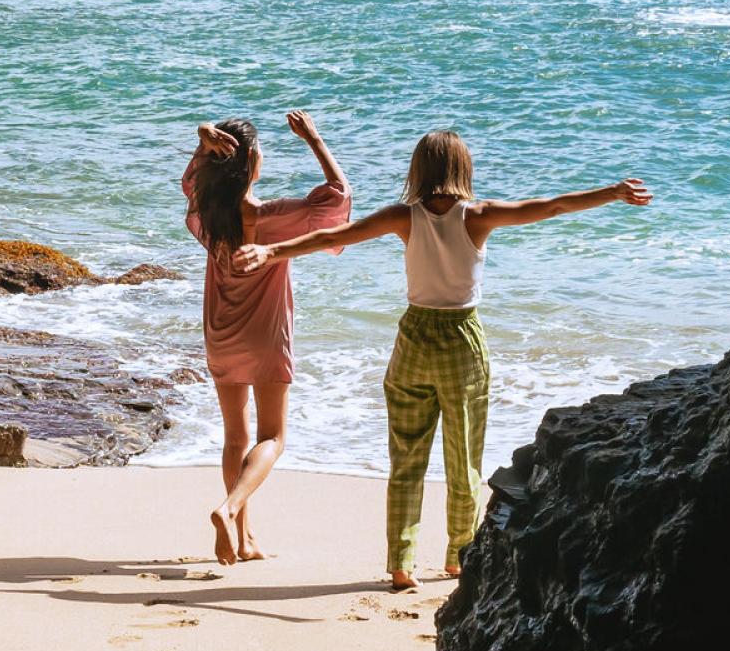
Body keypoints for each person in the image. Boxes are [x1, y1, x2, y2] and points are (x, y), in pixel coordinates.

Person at [234, 130, 650, 590]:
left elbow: (336, 234)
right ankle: (458, 556)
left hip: (413, 337)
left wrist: (273, 250)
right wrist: (610, 192)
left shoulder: (403, 217)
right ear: (462, 168)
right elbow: (550, 206)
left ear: (419, 169)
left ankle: (400, 563)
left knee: (406, 457)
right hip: (460, 338)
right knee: (463, 457)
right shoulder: (478, 216)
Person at [182, 109, 351, 565]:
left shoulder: (208, 214)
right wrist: (314, 139)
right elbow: (337, 200)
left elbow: (191, 184)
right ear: (253, 160)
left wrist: (202, 140)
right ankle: (231, 507)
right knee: (273, 436)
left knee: (234, 436)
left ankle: (245, 537)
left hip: (220, 333)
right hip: (265, 336)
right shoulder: (274, 218)